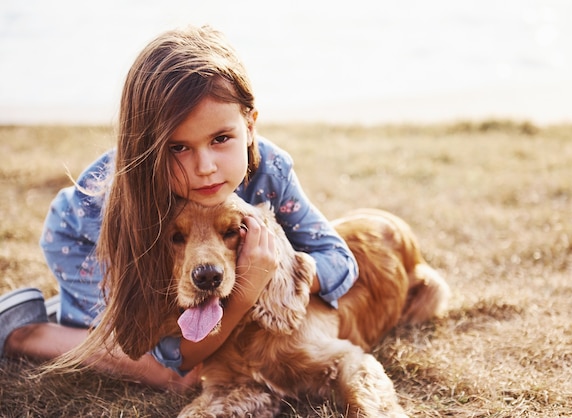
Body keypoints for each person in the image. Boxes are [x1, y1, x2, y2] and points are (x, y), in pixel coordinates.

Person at [0, 25, 358, 391]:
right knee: (180, 375)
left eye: (221, 139)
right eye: (178, 148)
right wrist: (248, 286)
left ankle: (77, 311)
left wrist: (278, 271)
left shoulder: (271, 168)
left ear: (250, 126)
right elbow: (179, 355)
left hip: (186, 266)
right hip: (81, 245)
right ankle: (29, 331)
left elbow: (340, 261)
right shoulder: (123, 205)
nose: (205, 167)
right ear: (146, 146)